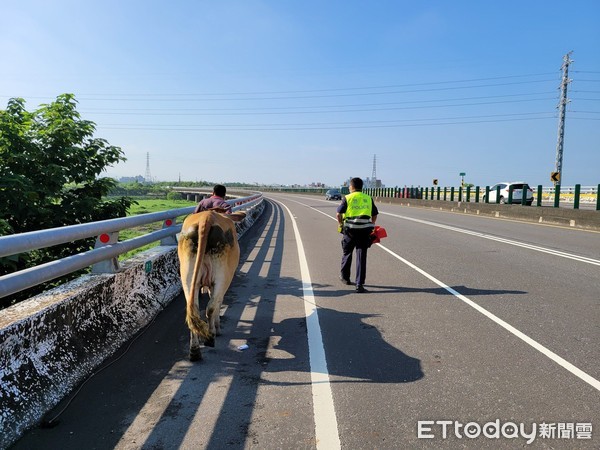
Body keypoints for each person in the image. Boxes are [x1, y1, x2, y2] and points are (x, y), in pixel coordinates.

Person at [336, 177, 379, 293]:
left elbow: (338, 213)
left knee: (347, 253)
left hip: (350, 231)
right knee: (361, 256)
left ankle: (345, 278)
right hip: (364, 231)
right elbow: (375, 214)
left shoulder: (348, 198)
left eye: (349, 186)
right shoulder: (368, 198)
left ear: (352, 187)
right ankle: (359, 284)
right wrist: (371, 224)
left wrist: (341, 224)